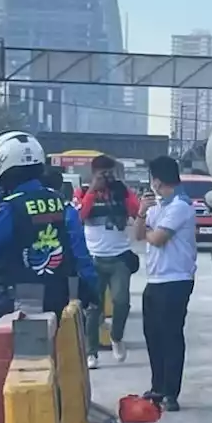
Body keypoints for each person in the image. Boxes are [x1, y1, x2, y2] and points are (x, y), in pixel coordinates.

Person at [0, 131, 97, 320]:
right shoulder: (62, 203)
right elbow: (81, 254)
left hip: (18, 306)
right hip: (60, 300)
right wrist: (92, 289)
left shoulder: (11, 208)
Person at [132, 155, 196, 411]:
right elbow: (138, 236)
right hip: (155, 279)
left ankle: (171, 392)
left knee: (171, 336)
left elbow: (158, 239)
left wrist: (149, 231)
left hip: (176, 279)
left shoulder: (180, 206)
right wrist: (141, 212)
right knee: (153, 335)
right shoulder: (157, 207)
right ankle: (157, 386)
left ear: (157, 181)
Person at [78, 155, 141, 369]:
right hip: (94, 258)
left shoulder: (122, 191)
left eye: (109, 173)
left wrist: (122, 193)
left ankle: (116, 336)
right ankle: (91, 352)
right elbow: (80, 216)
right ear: (93, 174)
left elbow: (136, 211)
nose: (106, 177)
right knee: (93, 309)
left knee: (121, 301)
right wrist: (92, 191)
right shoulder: (83, 192)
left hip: (119, 256)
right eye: (102, 174)